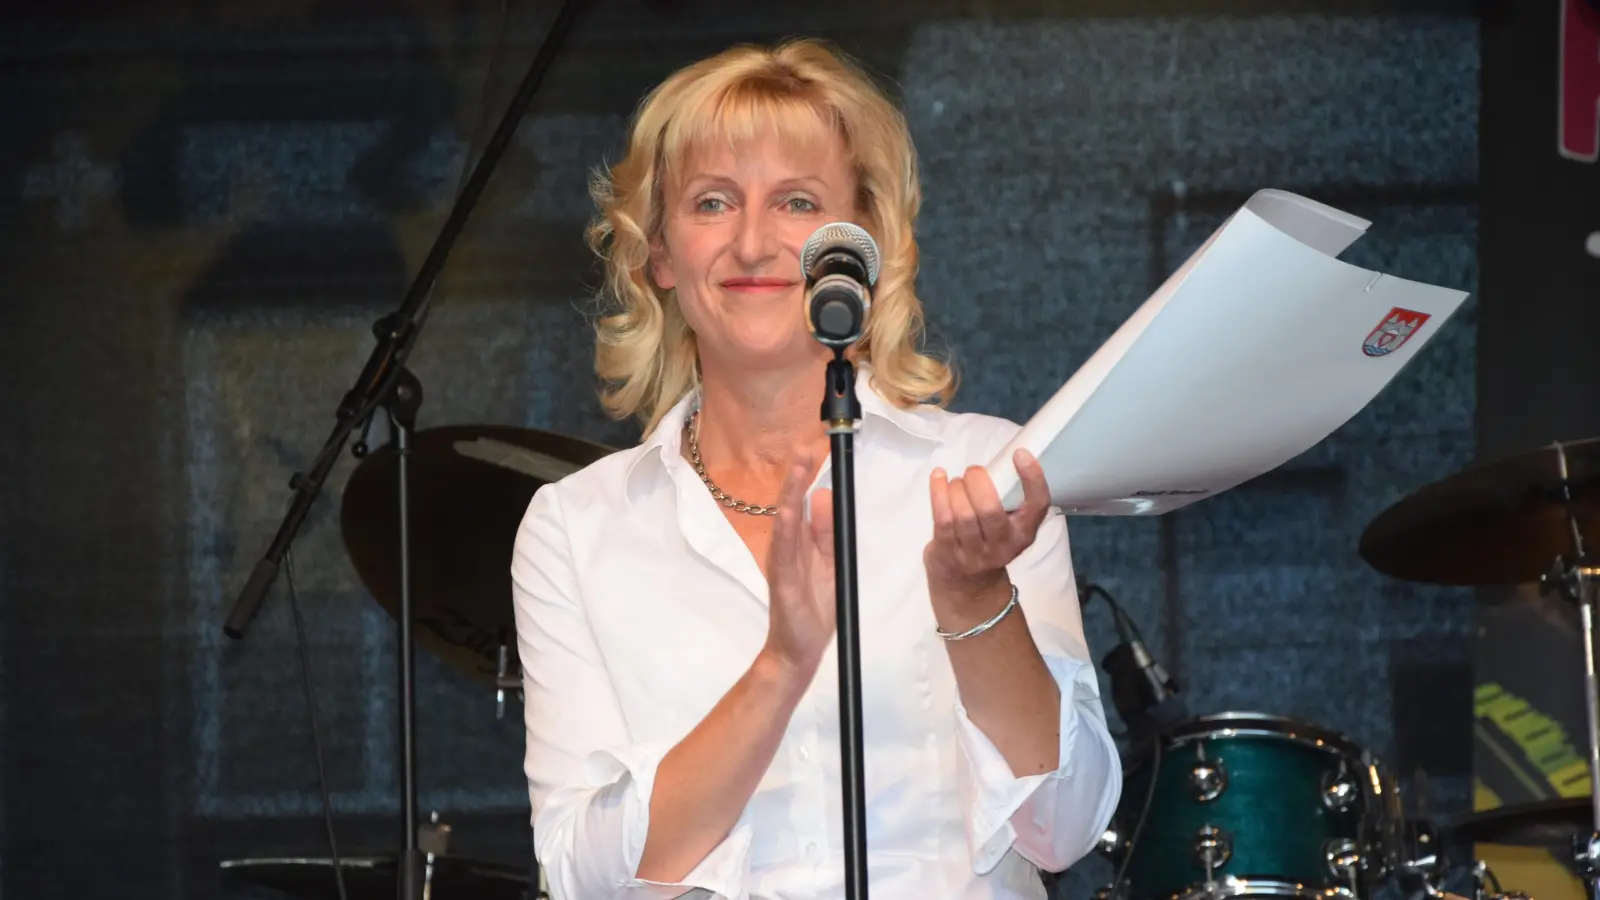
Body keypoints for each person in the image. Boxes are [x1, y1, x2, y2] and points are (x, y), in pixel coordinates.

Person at [511, 37, 1121, 900]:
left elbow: (1068, 826)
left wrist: (977, 603)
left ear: (864, 245)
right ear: (658, 254)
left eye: (797, 202)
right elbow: (581, 874)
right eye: (712, 202)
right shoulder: (574, 526)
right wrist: (782, 665)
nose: (753, 242)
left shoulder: (984, 471)